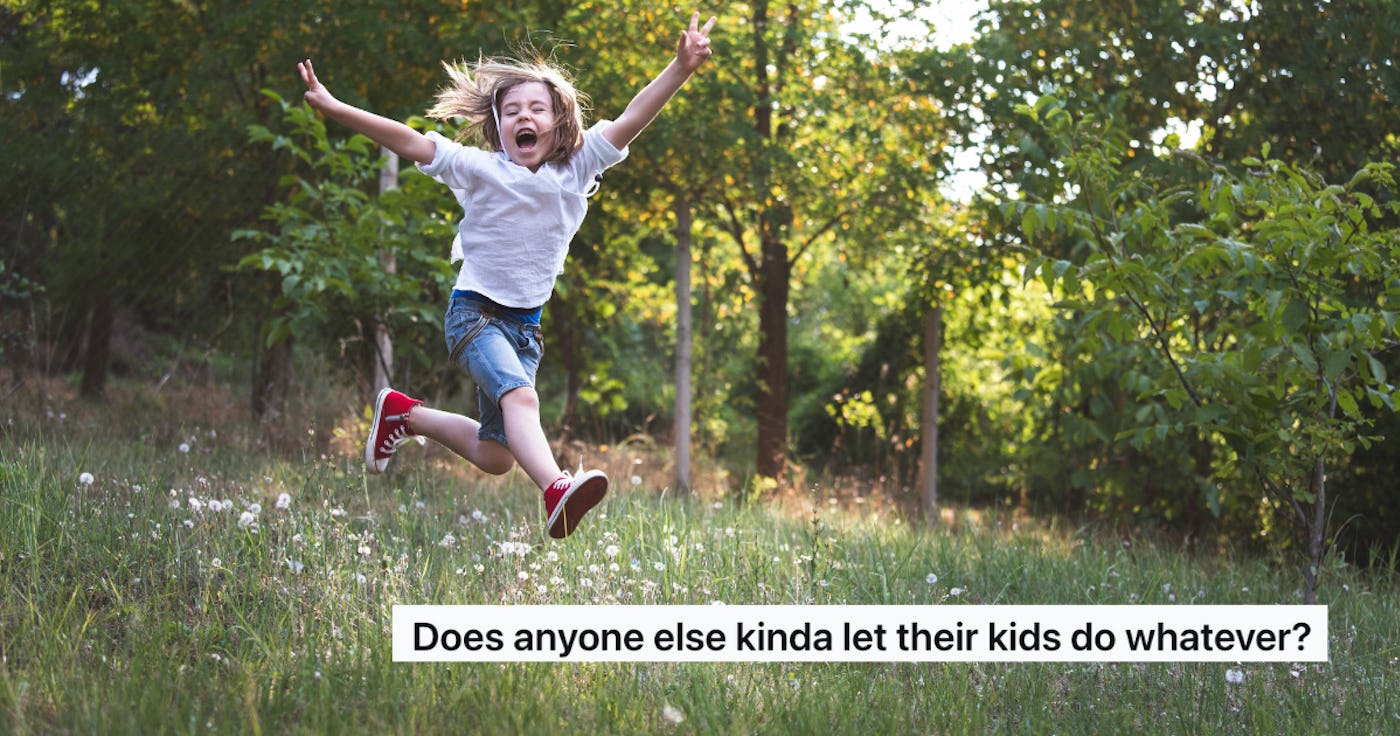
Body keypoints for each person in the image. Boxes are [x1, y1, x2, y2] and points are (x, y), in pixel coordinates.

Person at [298, 12, 717, 539]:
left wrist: (680, 68)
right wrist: (335, 108)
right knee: (522, 400)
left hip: (526, 329)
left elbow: (633, 116)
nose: (524, 116)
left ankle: (404, 415)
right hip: (474, 313)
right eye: (511, 110)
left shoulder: (579, 168)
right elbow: (408, 141)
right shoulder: (479, 168)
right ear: (499, 127)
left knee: (494, 455)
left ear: (560, 123)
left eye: (537, 109)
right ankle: (555, 489)